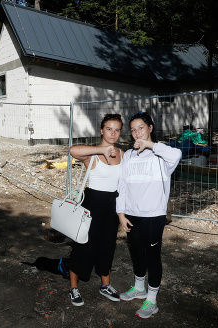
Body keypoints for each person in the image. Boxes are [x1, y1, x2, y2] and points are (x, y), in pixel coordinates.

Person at [116, 112, 181, 318]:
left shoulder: (161, 155)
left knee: (152, 256)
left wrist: (150, 145)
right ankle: (139, 288)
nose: (137, 133)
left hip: (154, 215)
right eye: (133, 129)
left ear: (150, 128)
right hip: (132, 215)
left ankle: (151, 300)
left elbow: (177, 154)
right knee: (136, 252)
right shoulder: (128, 155)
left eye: (141, 128)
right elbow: (122, 186)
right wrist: (121, 213)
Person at [67, 113, 125, 306]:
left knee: (107, 246)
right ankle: (73, 288)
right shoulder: (92, 154)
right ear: (101, 130)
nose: (113, 133)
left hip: (111, 206)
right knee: (83, 245)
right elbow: (73, 150)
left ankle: (105, 286)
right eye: (109, 128)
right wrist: (102, 149)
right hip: (92, 203)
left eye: (117, 130)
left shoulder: (122, 154)